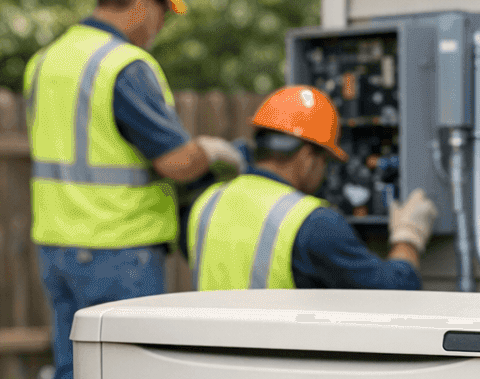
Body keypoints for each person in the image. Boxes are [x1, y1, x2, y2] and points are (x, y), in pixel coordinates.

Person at [24, 0, 243, 379]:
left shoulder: (49, 60)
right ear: (141, 2)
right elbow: (174, 162)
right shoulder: (124, 68)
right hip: (118, 254)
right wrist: (218, 153)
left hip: (58, 246)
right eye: (164, 14)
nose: (160, 29)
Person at [186, 85, 436, 291]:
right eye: (325, 161)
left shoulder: (207, 202)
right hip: (277, 351)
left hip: (212, 349)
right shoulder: (312, 223)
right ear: (307, 159)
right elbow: (394, 293)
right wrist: (408, 237)